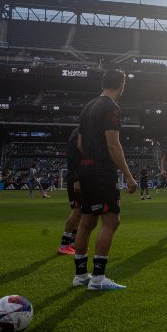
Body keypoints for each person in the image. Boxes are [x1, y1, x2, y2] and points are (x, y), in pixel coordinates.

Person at [73, 70, 137, 291]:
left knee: (86, 222)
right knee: (111, 220)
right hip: (102, 171)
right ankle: (98, 278)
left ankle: (80, 275)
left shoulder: (88, 107)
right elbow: (113, 145)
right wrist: (128, 175)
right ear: (122, 85)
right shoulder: (111, 108)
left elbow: (80, 144)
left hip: (85, 168)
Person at [58, 127, 82, 256]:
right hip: (76, 178)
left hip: (80, 177)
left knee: (81, 212)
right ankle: (64, 244)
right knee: (77, 210)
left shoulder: (80, 131)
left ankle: (72, 242)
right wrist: (77, 178)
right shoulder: (79, 132)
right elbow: (73, 157)